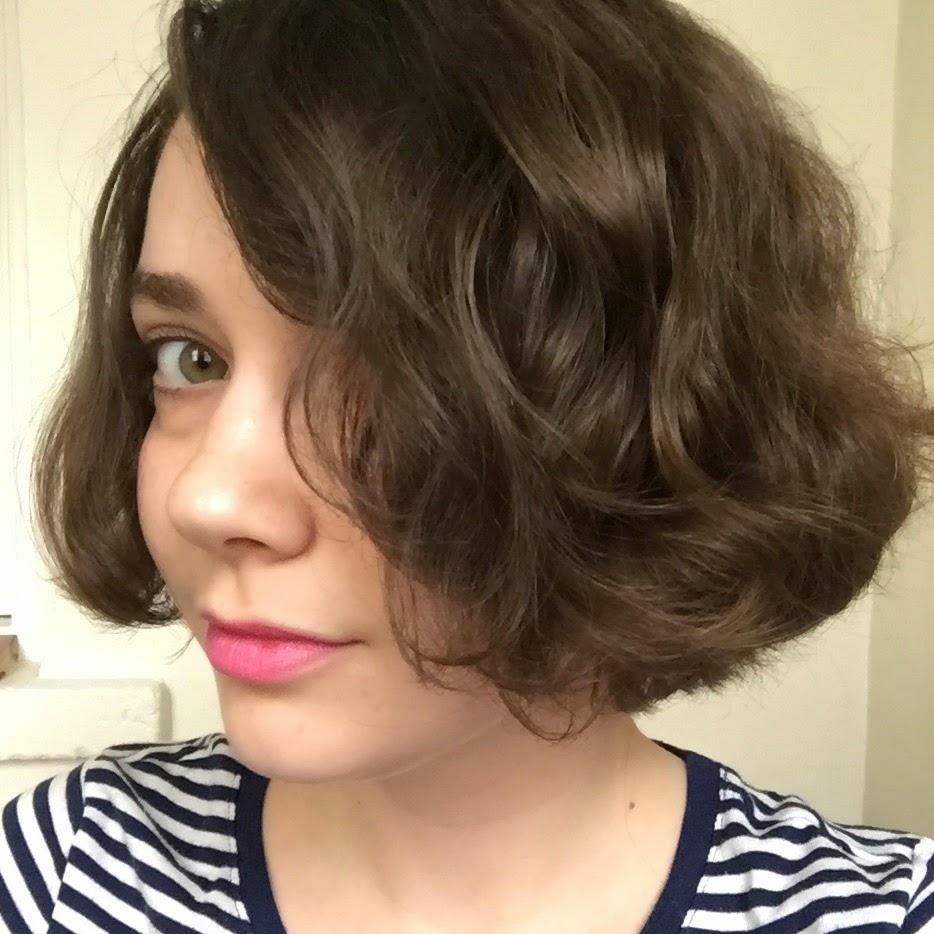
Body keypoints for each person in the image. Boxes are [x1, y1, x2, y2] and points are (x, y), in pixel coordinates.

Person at [2, 0, 933, 930]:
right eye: (191, 358)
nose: (209, 498)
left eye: (392, 373)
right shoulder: (66, 868)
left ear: (651, 423)